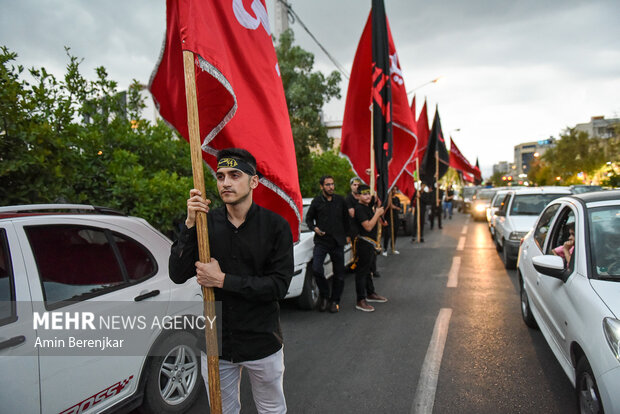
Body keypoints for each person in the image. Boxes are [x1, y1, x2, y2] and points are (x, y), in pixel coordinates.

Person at [169, 148, 292, 414]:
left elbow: (278, 287)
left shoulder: (276, 227)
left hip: (262, 339)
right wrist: (190, 224)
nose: (225, 182)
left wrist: (223, 280)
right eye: (220, 176)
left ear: (254, 181)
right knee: (223, 411)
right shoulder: (204, 225)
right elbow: (177, 273)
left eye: (235, 175)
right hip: (215, 340)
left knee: (272, 409)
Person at [305, 175, 350, 313]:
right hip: (322, 242)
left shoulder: (340, 200)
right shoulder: (317, 202)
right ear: (322, 187)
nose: (331, 187)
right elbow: (308, 219)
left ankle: (335, 300)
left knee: (339, 274)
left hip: (337, 242)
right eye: (328, 185)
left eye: (332, 184)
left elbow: (346, 219)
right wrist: (314, 228)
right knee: (317, 269)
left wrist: (348, 235)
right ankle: (324, 296)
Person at [353, 184, 388, 312]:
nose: (367, 196)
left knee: (369, 271)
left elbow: (380, 195)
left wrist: (372, 176)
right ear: (358, 196)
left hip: (371, 244)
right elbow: (368, 226)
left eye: (369, 193)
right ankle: (360, 300)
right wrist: (377, 214)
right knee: (362, 272)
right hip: (364, 243)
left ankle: (370, 293)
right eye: (364, 194)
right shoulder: (359, 209)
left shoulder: (367, 206)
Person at [382, 187, 402, 255]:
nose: (394, 191)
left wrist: (395, 207)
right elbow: (386, 206)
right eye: (393, 189)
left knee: (395, 233)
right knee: (387, 233)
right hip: (388, 218)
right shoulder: (387, 199)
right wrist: (389, 202)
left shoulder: (397, 199)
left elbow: (399, 208)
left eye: (395, 189)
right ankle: (385, 249)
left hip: (395, 218)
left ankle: (393, 247)